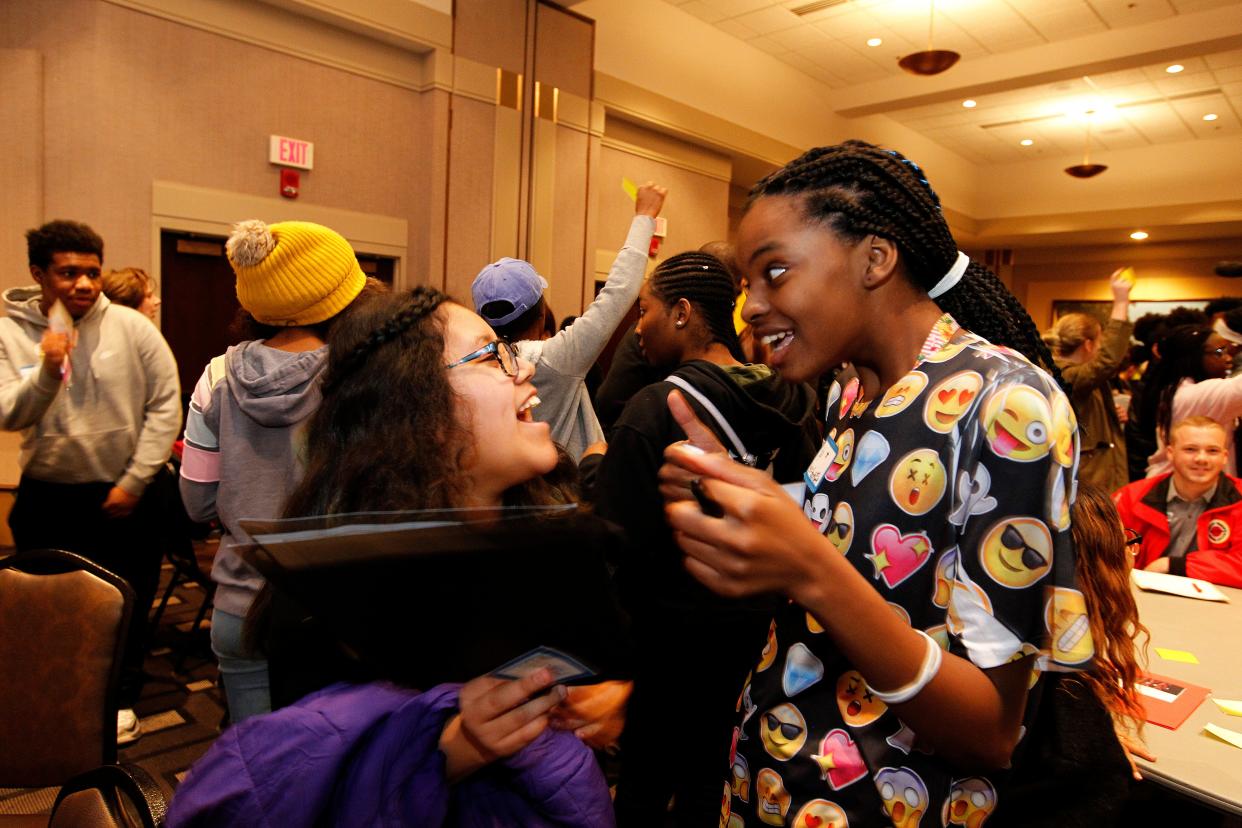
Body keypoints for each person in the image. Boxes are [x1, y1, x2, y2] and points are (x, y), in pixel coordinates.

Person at [658, 140, 1086, 825]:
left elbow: (989, 732)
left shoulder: (1007, 407)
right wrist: (737, 506)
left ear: (875, 259)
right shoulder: (849, 393)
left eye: (774, 272)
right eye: (746, 284)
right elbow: (880, 559)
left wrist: (807, 564)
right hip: (778, 787)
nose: (751, 308)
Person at [166, 287, 615, 827]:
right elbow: (314, 786)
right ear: (417, 406)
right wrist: (451, 749)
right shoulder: (330, 595)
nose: (522, 370)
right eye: (492, 355)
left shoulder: (551, 546)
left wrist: (612, 698)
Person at [595, 252, 818, 825]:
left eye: (646, 309)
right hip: (757, 643)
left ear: (682, 312)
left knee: (643, 792)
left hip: (667, 648)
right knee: (718, 789)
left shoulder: (653, 409)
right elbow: (804, 518)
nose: (639, 326)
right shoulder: (793, 403)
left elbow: (618, 551)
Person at [178, 219, 375, 723]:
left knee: (256, 768)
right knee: (331, 768)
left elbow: (197, 503)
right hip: (332, 611)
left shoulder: (215, 376)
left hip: (238, 608)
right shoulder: (361, 377)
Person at [0, 219, 181, 744]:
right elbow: (10, 413)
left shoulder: (133, 327)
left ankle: (121, 699)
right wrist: (47, 370)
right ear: (39, 273)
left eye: (92, 273)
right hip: (49, 495)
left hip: (123, 494)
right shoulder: (10, 332)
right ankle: (56, 694)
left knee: (126, 600)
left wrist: (135, 481)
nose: (83, 284)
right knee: (47, 605)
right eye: (68, 272)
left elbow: (164, 405)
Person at [473, 183, 666, 461]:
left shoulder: (477, 370)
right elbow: (619, 291)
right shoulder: (556, 359)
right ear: (542, 313)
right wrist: (645, 215)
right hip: (569, 488)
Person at [1002, 484, 1149, 825]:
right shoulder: (1071, 735)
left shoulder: (1012, 648)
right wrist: (1099, 740)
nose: (1131, 554)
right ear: (1099, 566)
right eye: (1124, 543)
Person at [1115, 415, 1242, 587]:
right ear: (1170, 453)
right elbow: (1105, 556)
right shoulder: (1130, 498)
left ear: (1225, 457)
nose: (1201, 459)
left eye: (1212, 451)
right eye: (1190, 449)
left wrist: (1175, 565)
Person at [1049, 270, 1132, 492]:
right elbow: (1107, 362)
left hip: (1097, 472)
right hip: (1088, 479)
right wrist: (1121, 302)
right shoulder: (1063, 374)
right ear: (1088, 344)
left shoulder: (1075, 374)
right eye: (1098, 342)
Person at [1139, 323, 1242, 477]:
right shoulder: (1192, 396)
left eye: (1228, 350)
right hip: (1182, 489)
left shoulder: (1175, 389)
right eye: (1219, 352)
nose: (1228, 359)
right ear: (1194, 357)